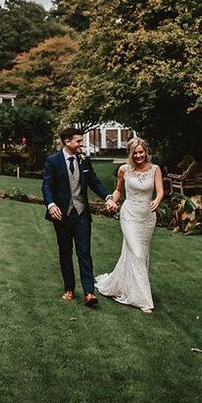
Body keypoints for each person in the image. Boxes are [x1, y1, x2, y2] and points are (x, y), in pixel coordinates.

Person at [42, 126, 117, 307]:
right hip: (62, 214)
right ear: (67, 142)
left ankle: (89, 292)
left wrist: (108, 196)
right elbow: (46, 186)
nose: (81, 144)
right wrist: (51, 205)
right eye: (78, 141)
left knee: (84, 252)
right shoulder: (53, 161)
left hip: (82, 214)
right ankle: (69, 288)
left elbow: (94, 181)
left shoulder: (84, 160)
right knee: (65, 251)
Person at [95, 137, 164, 313]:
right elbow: (119, 190)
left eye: (141, 152)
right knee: (137, 253)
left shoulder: (155, 169)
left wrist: (156, 200)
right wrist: (112, 201)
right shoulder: (124, 170)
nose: (138, 155)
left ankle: (124, 285)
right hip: (129, 216)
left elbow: (160, 191)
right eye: (135, 153)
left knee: (139, 254)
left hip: (147, 218)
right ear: (130, 154)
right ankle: (144, 301)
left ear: (146, 152)